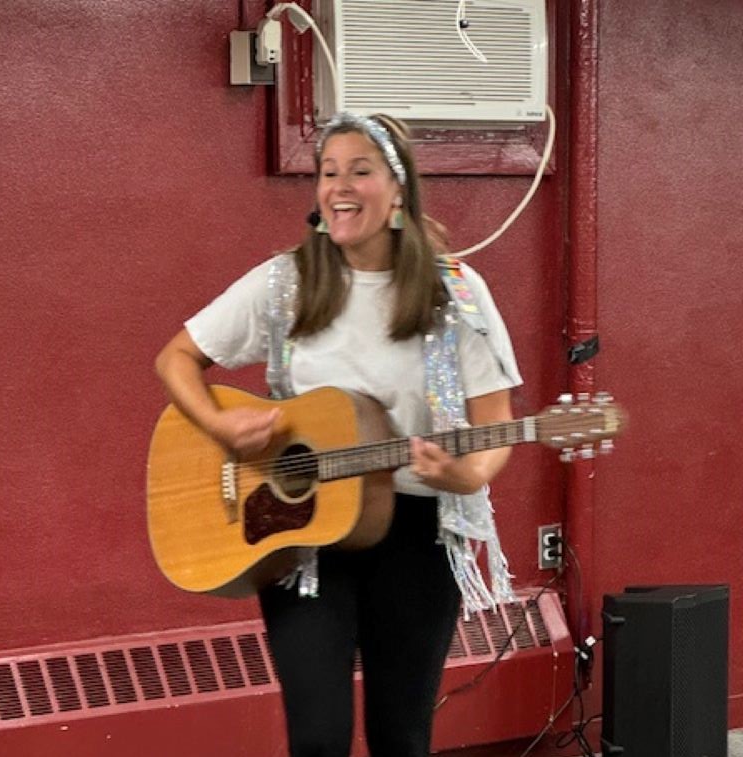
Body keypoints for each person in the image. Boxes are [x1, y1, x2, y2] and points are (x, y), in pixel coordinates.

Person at [155, 112, 522, 757]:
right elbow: (175, 358)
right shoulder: (286, 282)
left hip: (416, 534)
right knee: (318, 737)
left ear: (399, 188)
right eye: (328, 173)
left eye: (360, 171)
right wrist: (219, 424)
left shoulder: (453, 292)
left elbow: (495, 425)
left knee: (400, 736)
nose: (339, 187)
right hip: (301, 536)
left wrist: (468, 475)